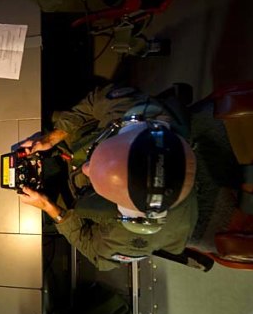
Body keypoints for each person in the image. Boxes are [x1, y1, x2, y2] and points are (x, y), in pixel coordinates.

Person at [19, 84, 198, 270]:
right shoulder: (143, 114)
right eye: (93, 162)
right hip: (78, 152)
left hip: (79, 198)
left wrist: (50, 208)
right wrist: (51, 138)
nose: (86, 169)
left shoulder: (133, 237)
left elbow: (95, 252)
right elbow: (98, 99)